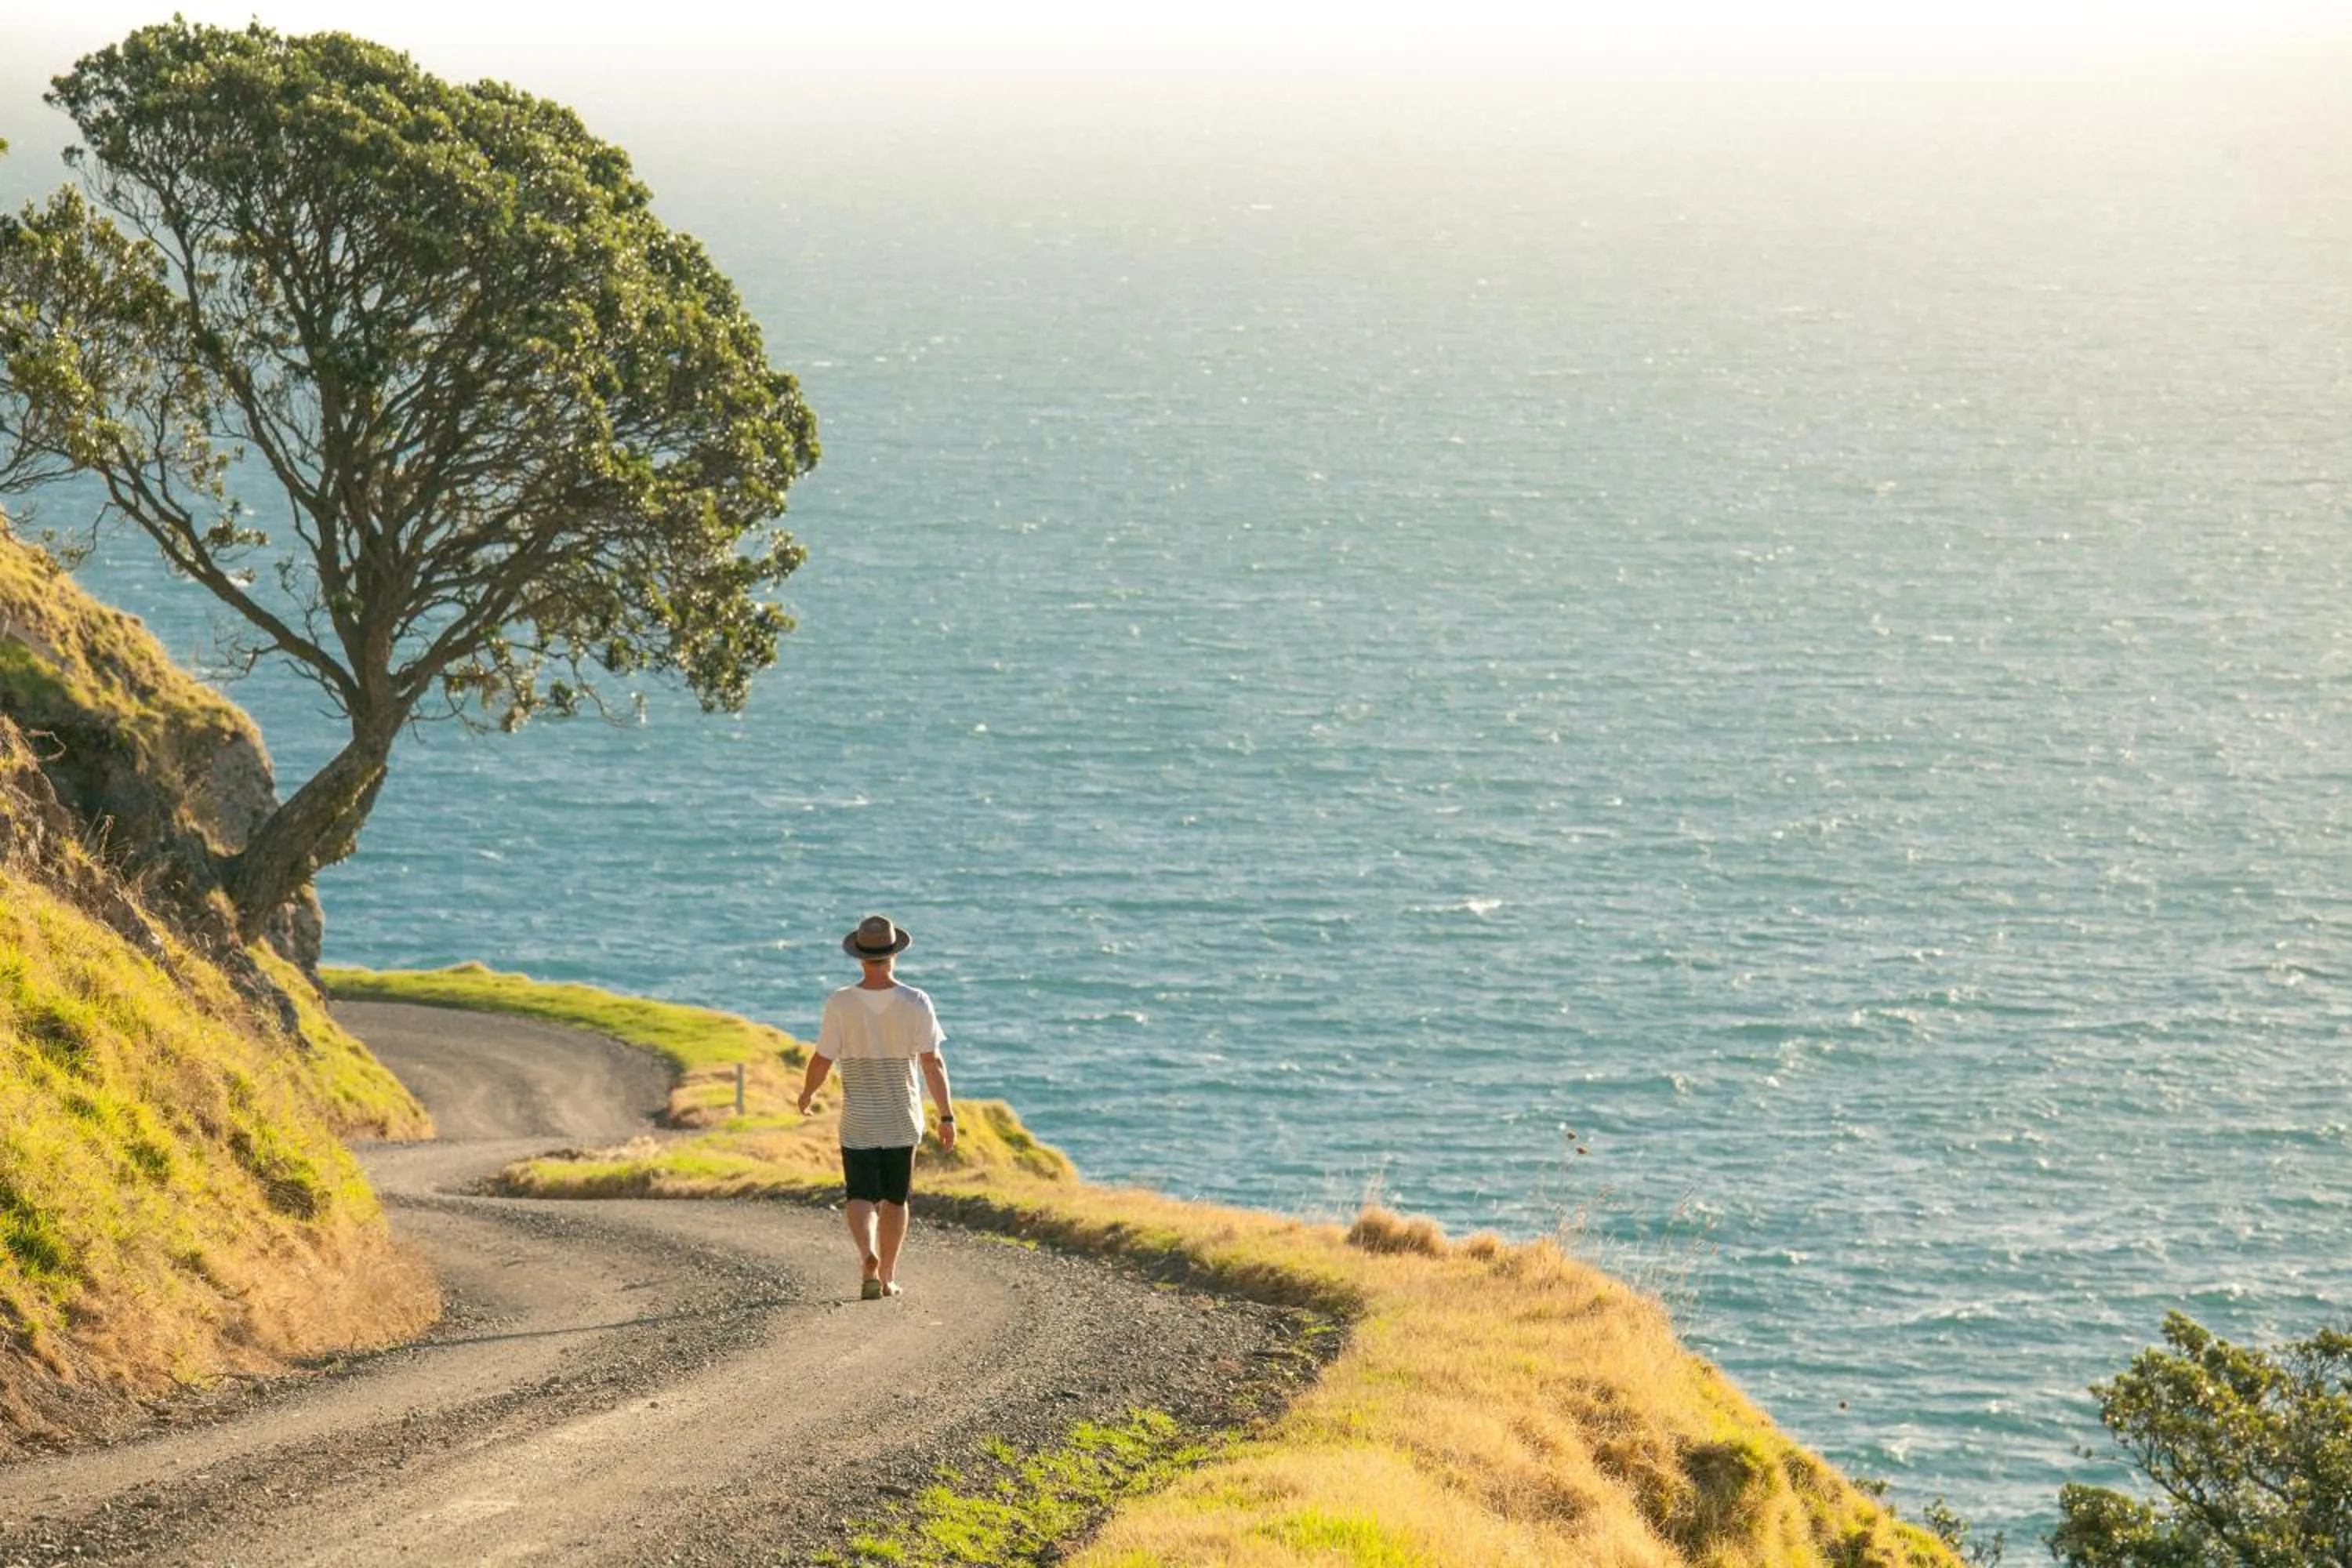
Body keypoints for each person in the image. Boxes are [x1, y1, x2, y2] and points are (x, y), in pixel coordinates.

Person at [797, 913, 956, 1299]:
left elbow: (822, 1059)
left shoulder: (841, 1002)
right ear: (894, 955)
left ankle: (866, 1256)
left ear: (860, 956)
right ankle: (887, 1276)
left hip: (859, 1118)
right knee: (896, 1198)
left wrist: (808, 1093)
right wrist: (946, 1115)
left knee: (860, 1195)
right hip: (902, 1116)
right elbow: (931, 1063)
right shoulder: (916, 1001)